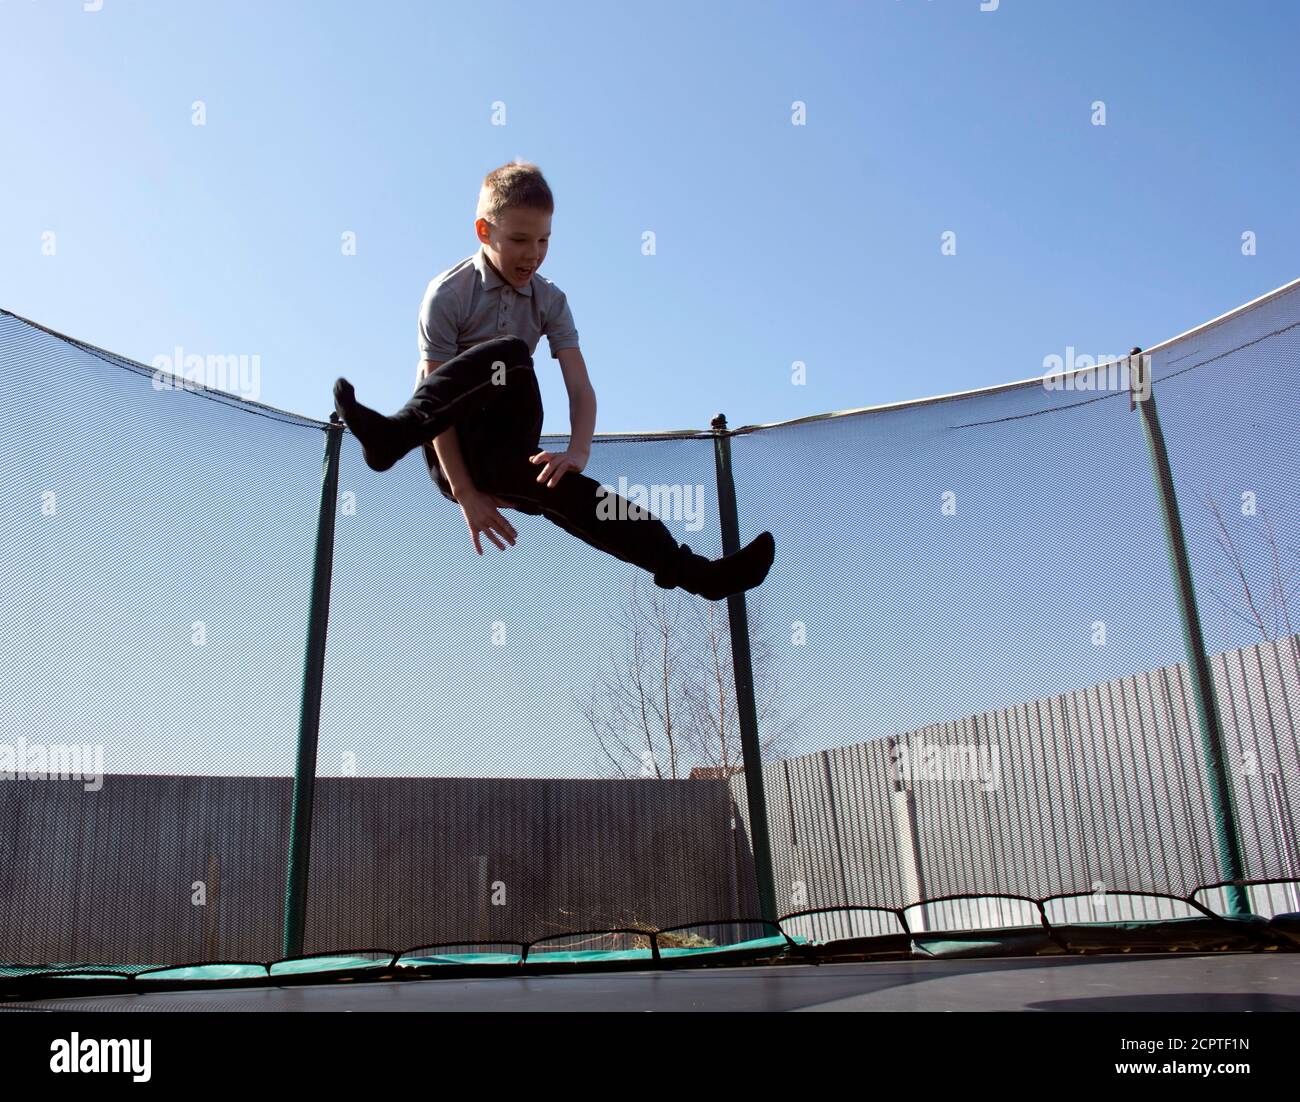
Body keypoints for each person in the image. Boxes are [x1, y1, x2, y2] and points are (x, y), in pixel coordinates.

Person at [332, 160, 774, 601]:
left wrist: (578, 451)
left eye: (544, 240)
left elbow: (580, 387)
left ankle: (701, 576)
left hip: (507, 442)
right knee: (510, 353)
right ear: (485, 232)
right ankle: (395, 435)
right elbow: (437, 395)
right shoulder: (448, 294)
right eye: (520, 240)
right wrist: (465, 492)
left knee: (581, 496)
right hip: (452, 446)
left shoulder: (549, 299)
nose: (533, 254)